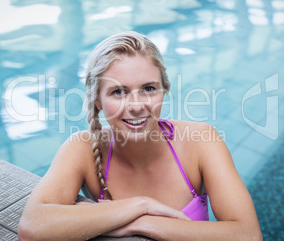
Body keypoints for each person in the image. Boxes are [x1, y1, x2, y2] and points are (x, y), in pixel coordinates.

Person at [18, 31, 262, 240]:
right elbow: (32, 228)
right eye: (118, 91)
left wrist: (140, 223)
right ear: (98, 100)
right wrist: (140, 205)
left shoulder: (200, 142)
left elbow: (248, 235)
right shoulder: (82, 148)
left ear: (163, 91)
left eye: (148, 89)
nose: (136, 106)